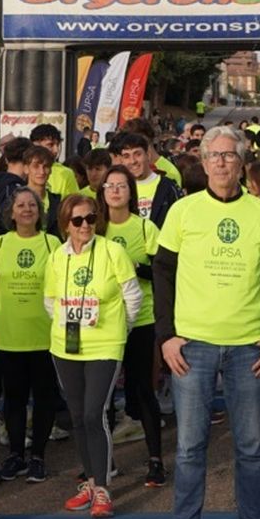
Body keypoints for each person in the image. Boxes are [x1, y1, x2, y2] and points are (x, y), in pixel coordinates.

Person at [155, 125, 260, 519]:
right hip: (192, 345)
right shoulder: (183, 210)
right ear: (204, 160)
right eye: (214, 155)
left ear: (242, 161)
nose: (222, 162)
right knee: (191, 447)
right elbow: (162, 271)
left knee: (250, 448)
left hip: (248, 345)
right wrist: (167, 336)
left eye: (230, 155)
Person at [46, 196, 143, 519]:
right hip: (66, 346)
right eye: (77, 221)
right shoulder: (58, 257)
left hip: (105, 345)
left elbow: (133, 296)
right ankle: (89, 481)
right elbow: (50, 301)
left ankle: (102, 487)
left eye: (90, 218)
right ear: (65, 225)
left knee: (93, 414)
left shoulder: (112, 251)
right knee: (76, 417)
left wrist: (119, 331)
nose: (85, 225)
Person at [96, 164, 168, 484]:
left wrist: (134, 267)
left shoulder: (145, 229)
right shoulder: (94, 228)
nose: (115, 190)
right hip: (103, 323)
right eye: (109, 185)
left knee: (142, 391)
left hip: (141, 319)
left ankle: (155, 460)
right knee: (104, 395)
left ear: (131, 191)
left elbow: (163, 273)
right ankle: (104, 461)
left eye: (121, 185)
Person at [0, 187, 60, 484]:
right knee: (14, 400)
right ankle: (16, 454)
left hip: (45, 335)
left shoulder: (52, 242)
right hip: (9, 335)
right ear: (11, 212)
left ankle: (38, 456)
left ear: (40, 212)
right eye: (21, 205)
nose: (27, 209)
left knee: (44, 398)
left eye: (32, 205)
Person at [114, 131, 181, 226]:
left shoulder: (169, 188)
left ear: (148, 155)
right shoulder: (116, 190)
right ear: (121, 161)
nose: (132, 161)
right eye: (127, 156)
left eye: (137, 154)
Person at [31, 124, 81, 197]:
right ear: (35, 144)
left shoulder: (66, 173)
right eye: (50, 145)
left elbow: (74, 203)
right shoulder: (24, 169)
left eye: (57, 145)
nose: (56, 150)